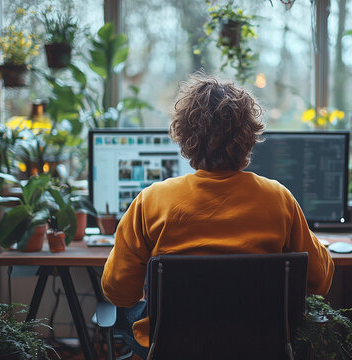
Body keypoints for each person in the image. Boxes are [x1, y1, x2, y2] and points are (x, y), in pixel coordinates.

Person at [101, 74, 334, 358]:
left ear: (185, 136)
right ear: (249, 136)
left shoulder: (151, 201)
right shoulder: (278, 199)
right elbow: (320, 281)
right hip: (258, 348)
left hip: (174, 348)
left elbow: (119, 292)